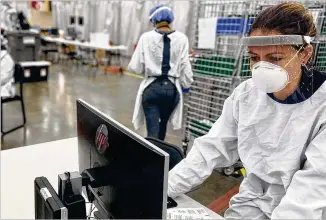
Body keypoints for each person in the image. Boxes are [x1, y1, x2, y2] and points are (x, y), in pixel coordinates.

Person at [168, 2, 326, 219]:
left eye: (275, 58)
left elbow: (312, 186)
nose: (261, 68)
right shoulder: (247, 94)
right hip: (249, 206)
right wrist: (164, 189)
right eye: (254, 58)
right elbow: (211, 149)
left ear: (305, 54)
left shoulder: (321, 104)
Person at [128, 4, 193, 141]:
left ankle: (152, 159)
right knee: (162, 127)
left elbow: (135, 67)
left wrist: (149, 66)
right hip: (172, 90)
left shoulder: (146, 37)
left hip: (152, 88)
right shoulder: (182, 39)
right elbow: (186, 68)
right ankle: (162, 157)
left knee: (152, 132)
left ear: (154, 20)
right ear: (170, 20)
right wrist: (186, 84)